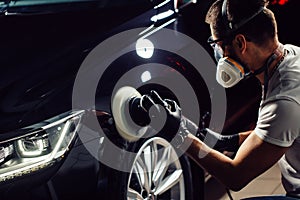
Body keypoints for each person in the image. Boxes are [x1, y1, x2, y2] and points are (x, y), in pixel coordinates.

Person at [140, 0, 300, 198]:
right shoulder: (291, 57)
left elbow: (236, 176)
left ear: (240, 43)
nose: (220, 55)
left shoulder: (284, 100)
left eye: (220, 45)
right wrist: (227, 141)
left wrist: (179, 135)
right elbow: (277, 133)